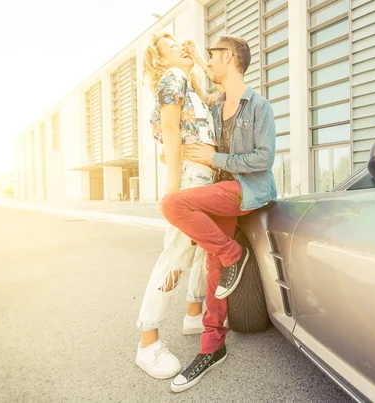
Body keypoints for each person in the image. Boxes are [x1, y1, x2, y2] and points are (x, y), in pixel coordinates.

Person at [160, 34, 277, 392]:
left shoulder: (259, 106)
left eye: (212, 57)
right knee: (214, 268)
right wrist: (176, 155)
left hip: (248, 190)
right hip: (221, 192)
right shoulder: (214, 105)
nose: (207, 63)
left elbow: (264, 158)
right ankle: (213, 346)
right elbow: (194, 98)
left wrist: (215, 159)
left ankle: (233, 255)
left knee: (172, 203)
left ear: (228, 58)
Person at [134, 31, 222, 380]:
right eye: (173, 46)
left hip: (203, 175)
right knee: (177, 253)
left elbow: (226, 94)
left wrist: (199, 59)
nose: (182, 46)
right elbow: (170, 128)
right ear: (160, 60)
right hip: (188, 177)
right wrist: (172, 184)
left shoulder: (190, 84)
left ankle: (193, 315)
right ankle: (147, 343)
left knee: (201, 252)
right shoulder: (171, 78)